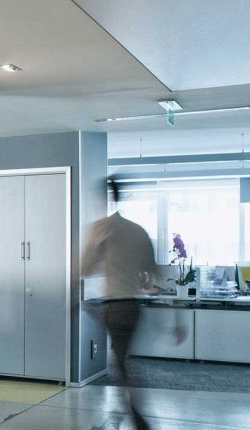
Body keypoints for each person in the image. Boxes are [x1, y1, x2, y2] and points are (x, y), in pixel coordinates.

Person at [82, 177, 156, 430]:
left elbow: (85, 267)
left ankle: (136, 413)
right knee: (122, 359)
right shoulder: (138, 230)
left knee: (121, 363)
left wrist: (78, 298)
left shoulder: (101, 229)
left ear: (103, 198)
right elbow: (150, 275)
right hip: (133, 307)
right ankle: (129, 411)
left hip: (115, 307)